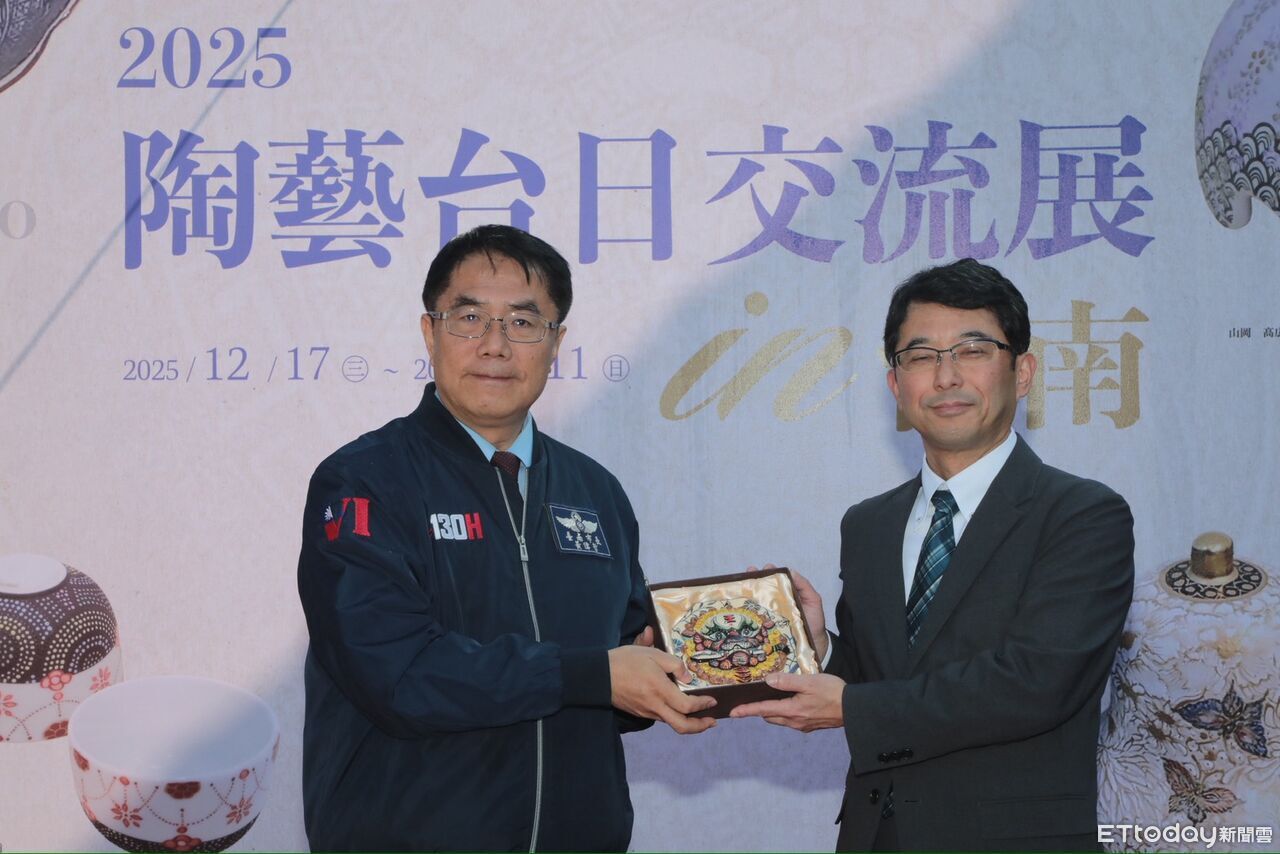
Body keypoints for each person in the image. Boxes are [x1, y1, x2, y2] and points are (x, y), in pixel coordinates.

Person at [297, 224, 714, 852]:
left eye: (523, 323)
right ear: (430, 332)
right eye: (469, 318)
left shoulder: (594, 491)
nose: (494, 346)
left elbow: (623, 655)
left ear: (557, 343)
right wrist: (592, 675)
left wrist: (708, 661)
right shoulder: (365, 480)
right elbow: (397, 674)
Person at [733, 259, 1135, 852]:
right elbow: (885, 679)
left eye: (973, 350)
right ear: (896, 386)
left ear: (1023, 372)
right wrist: (820, 648)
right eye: (920, 356)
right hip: (878, 836)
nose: (946, 377)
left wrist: (854, 709)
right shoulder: (868, 523)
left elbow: (1037, 682)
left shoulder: (1082, 514)